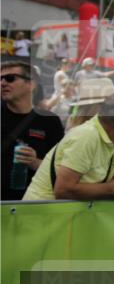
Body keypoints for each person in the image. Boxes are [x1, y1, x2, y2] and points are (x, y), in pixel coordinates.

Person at [24, 93, 114, 201]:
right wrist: (110, 189)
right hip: (39, 216)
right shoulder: (86, 136)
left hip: (60, 217)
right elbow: (63, 190)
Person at [2, 58, 65, 201]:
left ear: (31, 84)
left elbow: (61, 169)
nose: (3, 83)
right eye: (0, 79)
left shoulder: (49, 121)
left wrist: (35, 162)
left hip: (32, 205)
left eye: (10, 78)